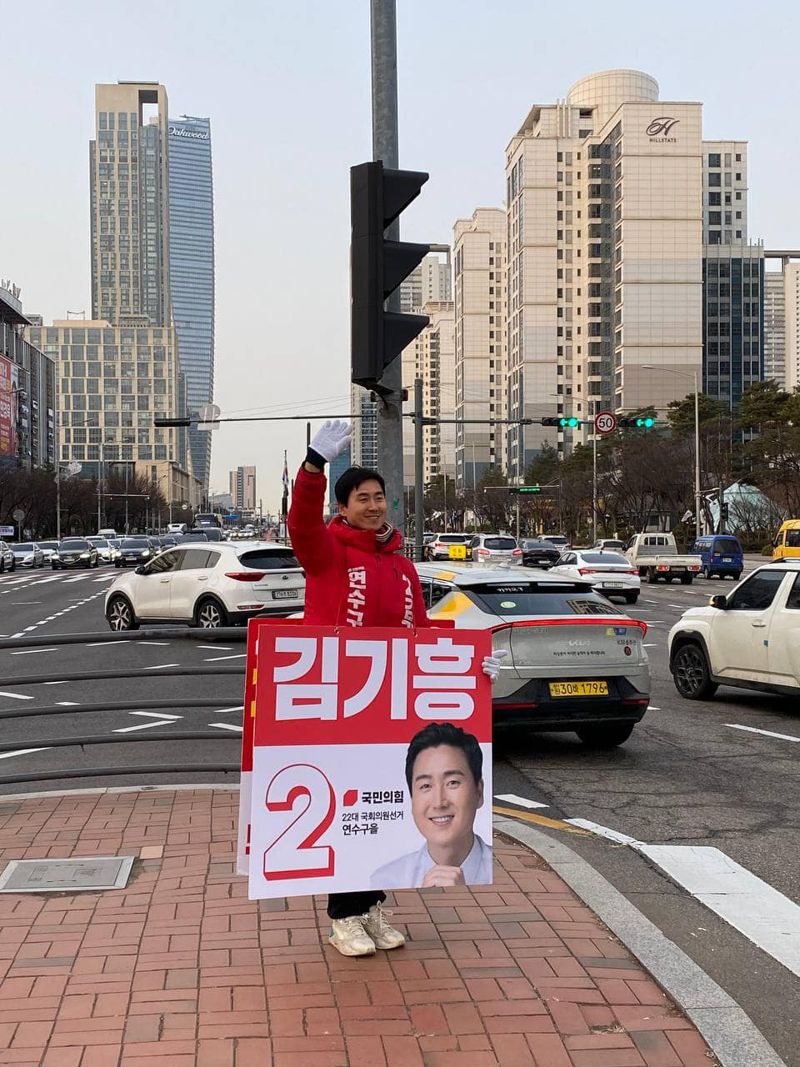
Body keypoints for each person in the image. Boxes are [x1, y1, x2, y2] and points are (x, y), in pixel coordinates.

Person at [287, 420, 505, 957]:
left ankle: (370, 904)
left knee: (381, 806)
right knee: (344, 804)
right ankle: (344, 915)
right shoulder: (328, 553)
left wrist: (473, 665)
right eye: (363, 499)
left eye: (380, 498)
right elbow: (299, 524)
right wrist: (314, 464)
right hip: (338, 700)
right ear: (342, 507)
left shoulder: (403, 565)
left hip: (391, 705)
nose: (374, 506)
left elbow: (423, 631)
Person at [371, 723, 491, 890]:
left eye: (452, 782)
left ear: (479, 792)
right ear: (412, 798)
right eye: (426, 786)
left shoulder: (504, 871)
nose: (439, 802)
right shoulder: (385, 880)